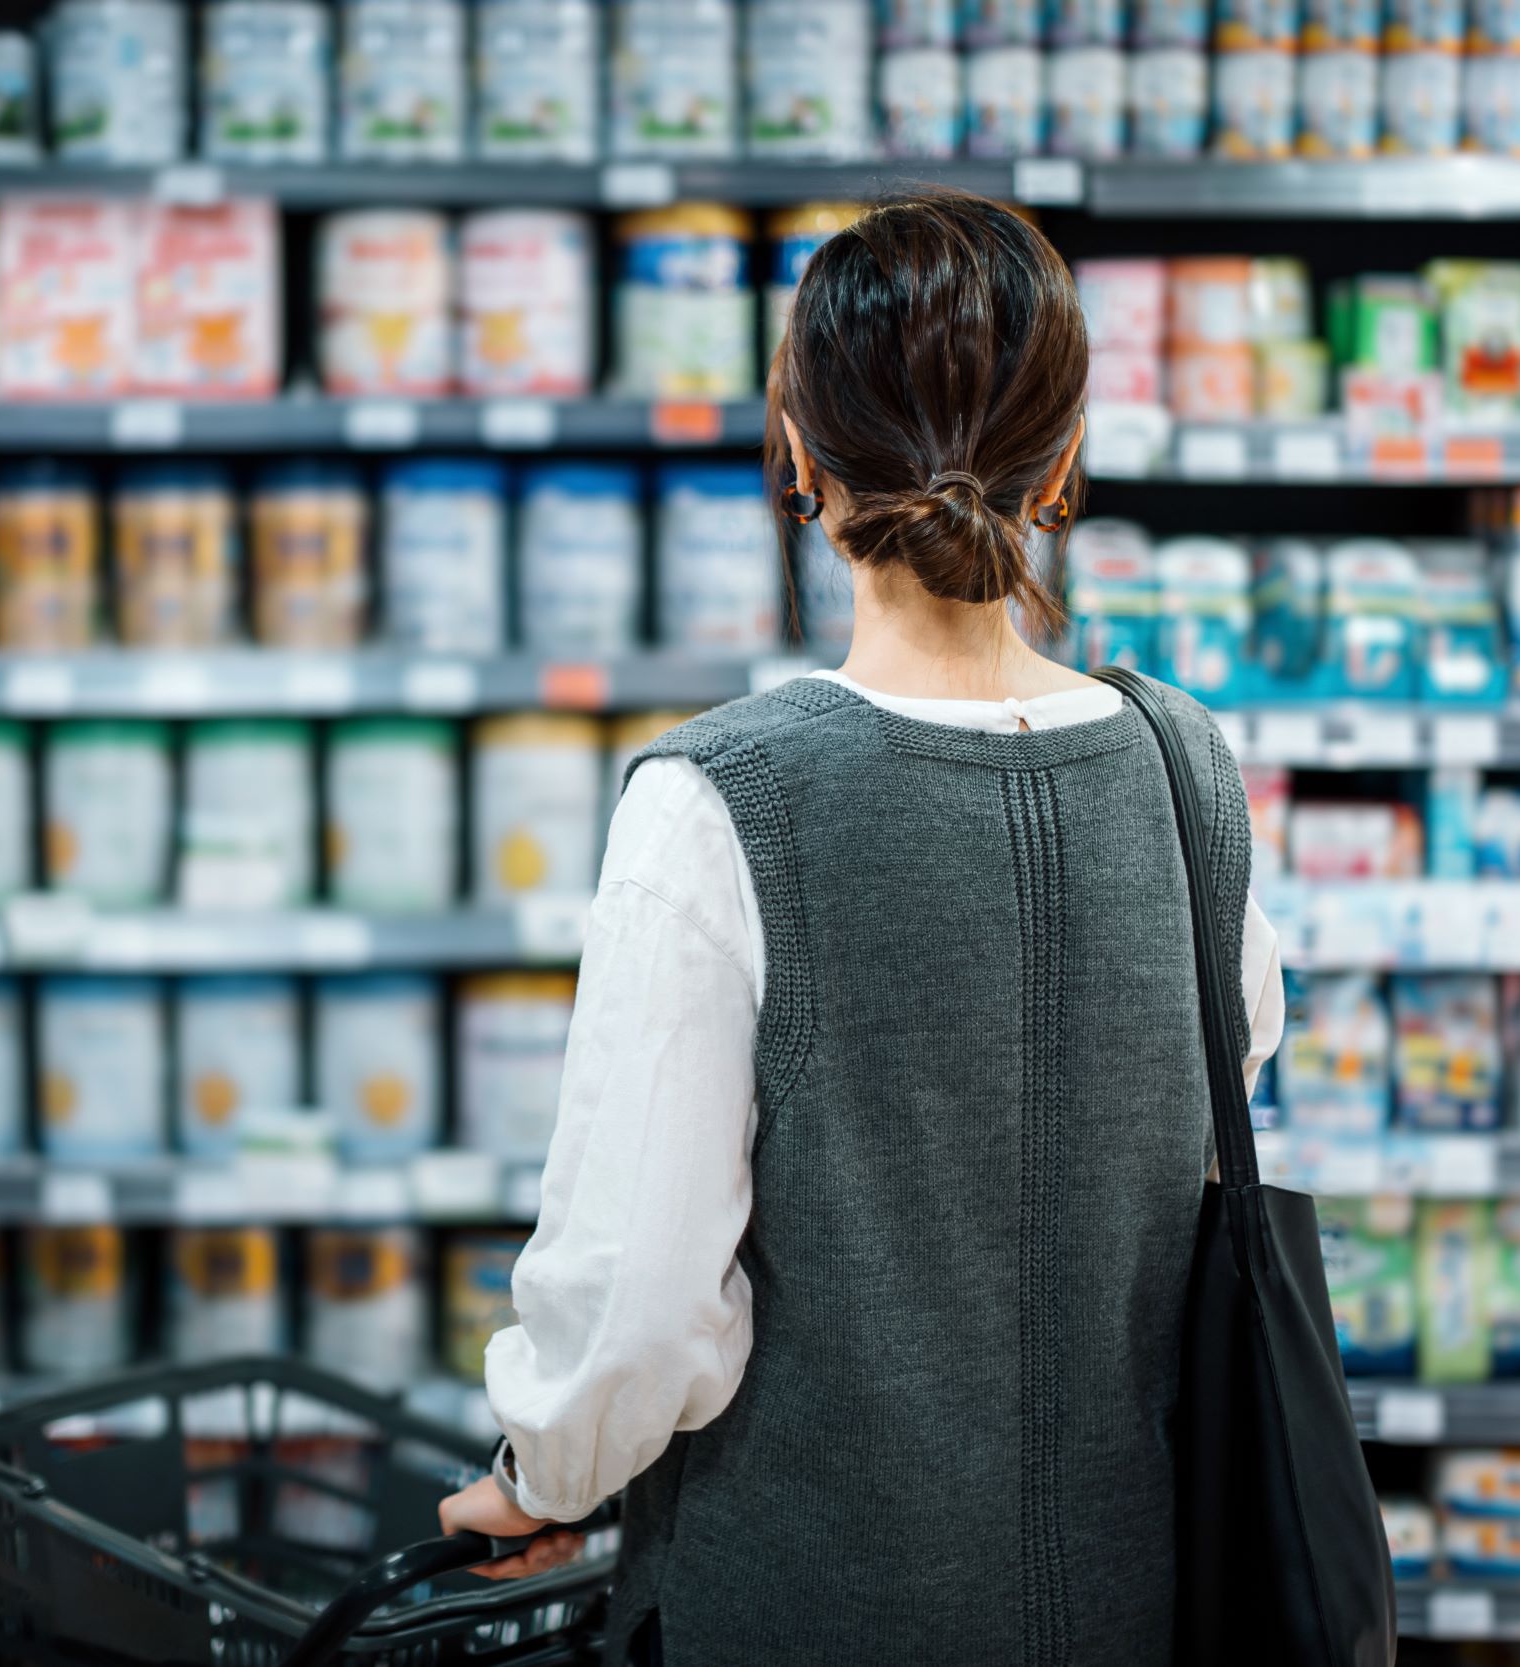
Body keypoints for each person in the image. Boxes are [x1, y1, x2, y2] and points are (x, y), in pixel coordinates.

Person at [436, 190, 1287, 1666]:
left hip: (805, 1609)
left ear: (798, 456)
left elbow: (636, 1308)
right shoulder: (1187, 769)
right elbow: (1203, 1131)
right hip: (1140, 1606)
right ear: (1064, 464)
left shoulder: (719, 804)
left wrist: (541, 1478)